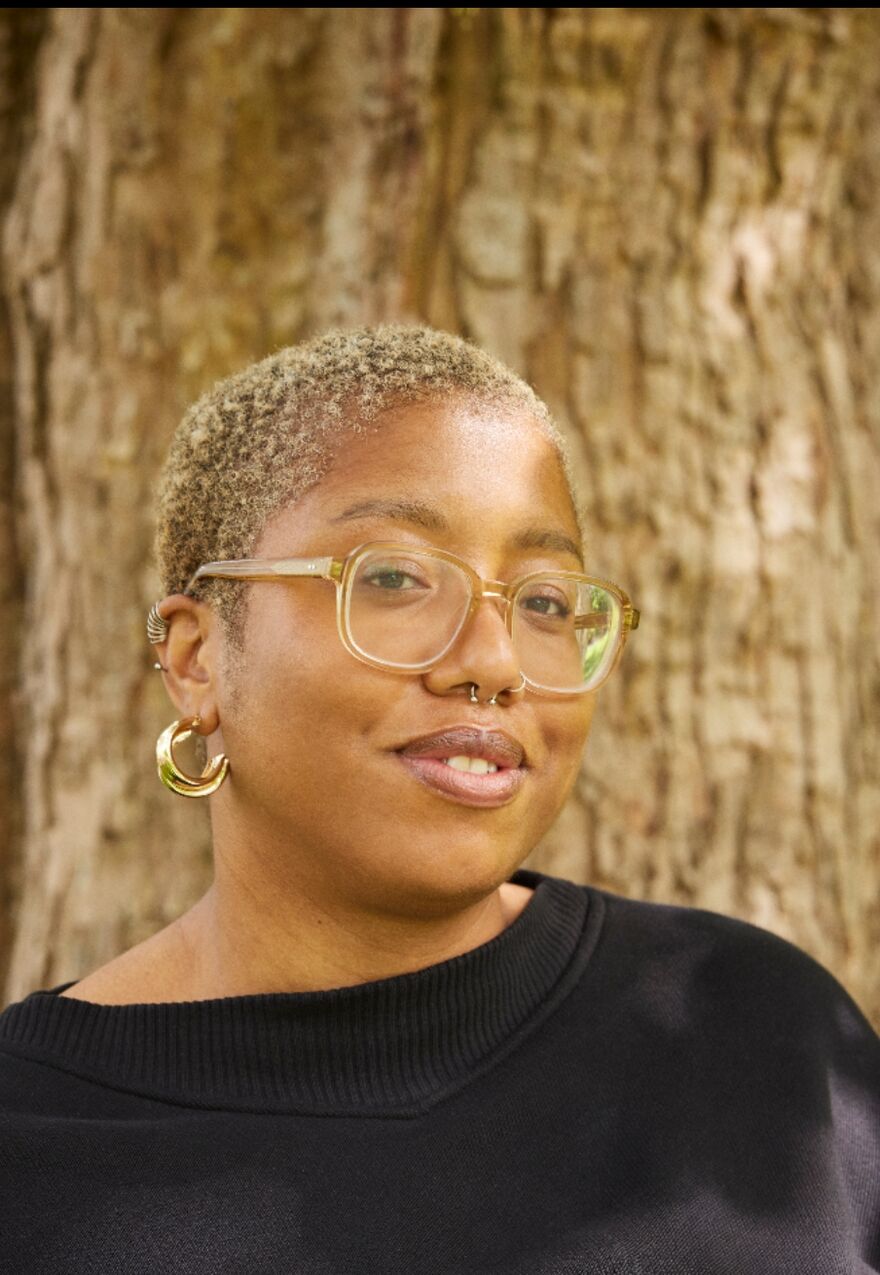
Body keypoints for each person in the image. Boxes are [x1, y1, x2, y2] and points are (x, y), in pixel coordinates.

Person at [0, 324, 877, 1274]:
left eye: (545, 602)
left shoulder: (763, 1034)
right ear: (196, 658)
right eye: (393, 577)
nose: (494, 661)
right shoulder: (30, 1153)